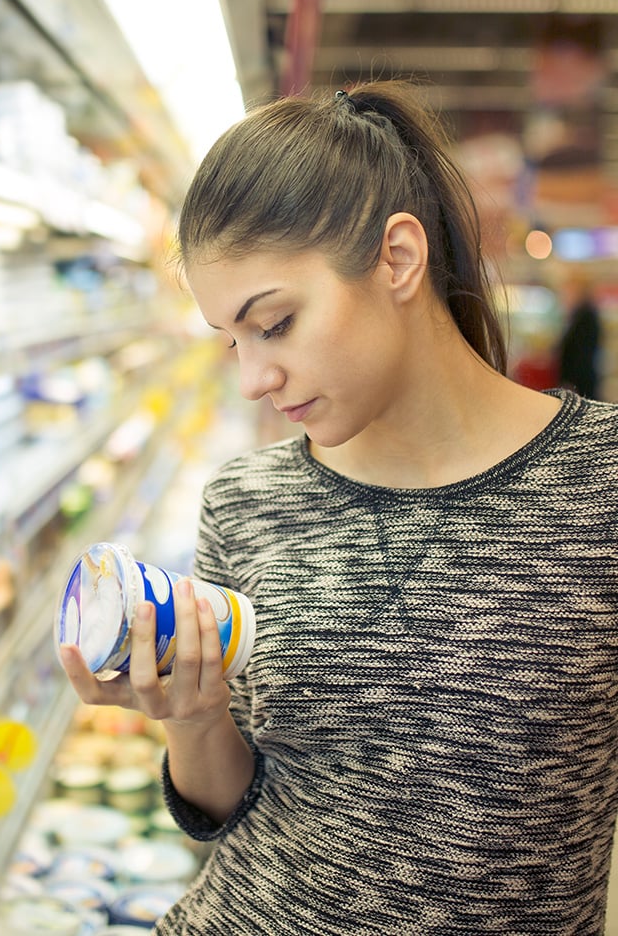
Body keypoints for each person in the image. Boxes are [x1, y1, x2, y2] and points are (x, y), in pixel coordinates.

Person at [59, 79, 618, 935]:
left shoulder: (597, 483)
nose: (253, 378)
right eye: (233, 340)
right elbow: (229, 808)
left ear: (398, 259)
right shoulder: (247, 501)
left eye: (274, 323)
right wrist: (196, 716)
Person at [558, 268, 602, 399]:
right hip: (578, 379)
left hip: (579, 381)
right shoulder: (579, 314)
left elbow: (581, 353)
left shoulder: (586, 316)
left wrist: (571, 382)